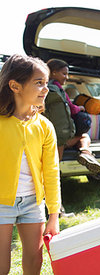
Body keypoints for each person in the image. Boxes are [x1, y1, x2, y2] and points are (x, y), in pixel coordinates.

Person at [0, 54, 61, 274]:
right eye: (38, 83)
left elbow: (52, 171)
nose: (45, 89)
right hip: (0, 203)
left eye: (46, 83)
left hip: (32, 204)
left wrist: (53, 214)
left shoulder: (45, 127)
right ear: (15, 86)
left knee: (35, 263)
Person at [46, 59, 100, 174]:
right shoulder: (58, 90)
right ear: (53, 72)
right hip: (62, 137)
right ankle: (86, 153)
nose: (66, 77)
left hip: (49, 135)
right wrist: (80, 108)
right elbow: (71, 109)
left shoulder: (43, 88)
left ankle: (86, 154)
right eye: (64, 74)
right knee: (84, 137)